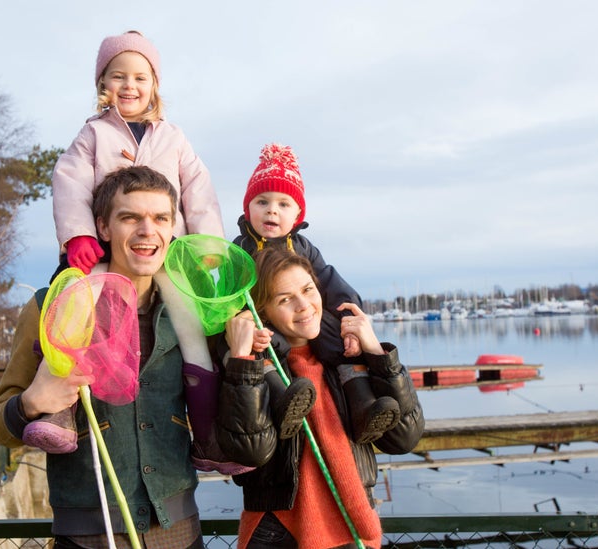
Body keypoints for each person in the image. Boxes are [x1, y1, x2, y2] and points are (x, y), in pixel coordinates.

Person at [28, 30, 233, 475]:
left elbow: (198, 188)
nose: (130, 86)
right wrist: (79, 235)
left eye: (140, 77)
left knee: (192, 332)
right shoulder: (94, 134)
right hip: (102, 252)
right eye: (118, 76)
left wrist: (208, 243)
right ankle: (59, 411)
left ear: (154, 84)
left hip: (165, 254)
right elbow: (70, 182)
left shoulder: (173, 137)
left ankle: (207, 431)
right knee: (75, 318)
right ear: (103, 83)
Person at [0, 166, 206, 548]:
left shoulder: (191, 314)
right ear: (103, 228)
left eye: (160, 218)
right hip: (89, 536)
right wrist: (32, 402)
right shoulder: (50, 307)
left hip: (178, 532)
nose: (147, 230)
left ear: (173, 229)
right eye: (130, 217)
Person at [216, 247, 425, 549]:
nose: (304, 306)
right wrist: (240, 358)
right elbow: (252, 450)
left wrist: (378, 353)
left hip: (353, 525)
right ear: (262, 312)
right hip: (277, 530)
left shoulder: (346, 356)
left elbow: (404, 439)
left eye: (308, 290)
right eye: (284, 299)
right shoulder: (252, 364)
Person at [233, 143, 401, 444]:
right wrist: (242, 322)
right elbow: (231, 296)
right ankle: (284, 400)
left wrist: (350, 321)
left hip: (306, 322)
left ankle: (363, 406)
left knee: (338, 340)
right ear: (248, 208)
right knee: (262, 348)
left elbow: (330, 282)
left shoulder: (303, 247)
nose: (272, 209)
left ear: (298, 214)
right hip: (268, 322)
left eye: (284, 204)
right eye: (262, 201)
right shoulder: (240, 249)